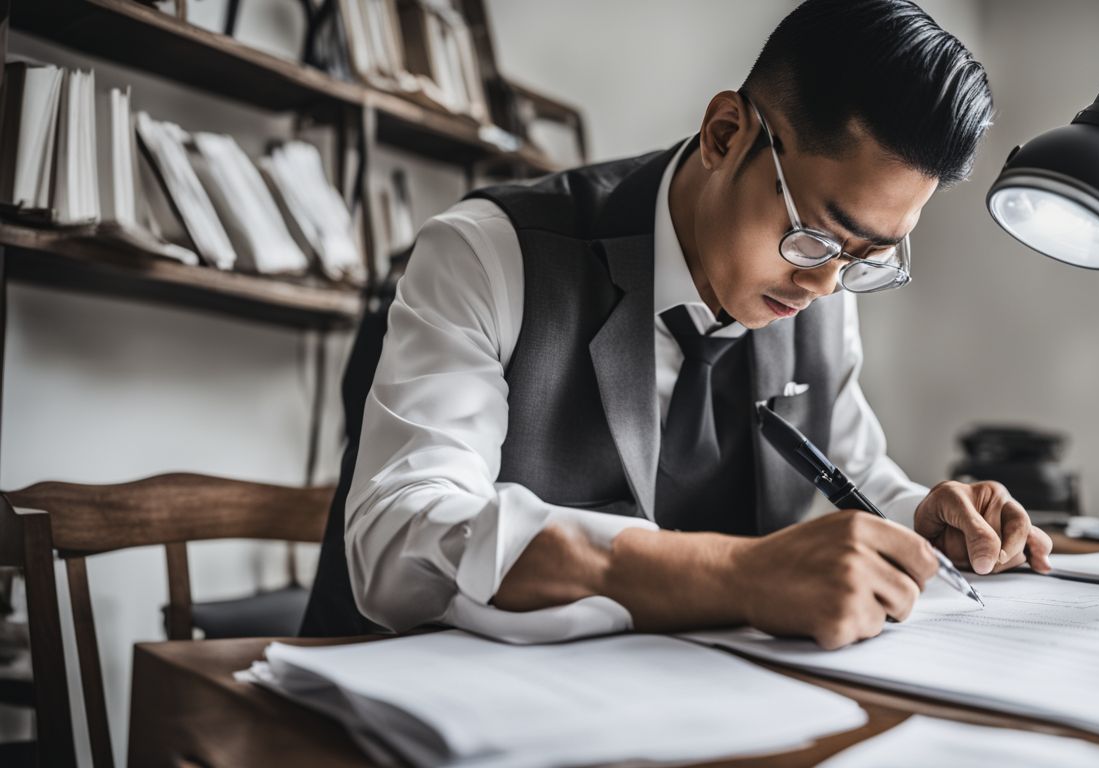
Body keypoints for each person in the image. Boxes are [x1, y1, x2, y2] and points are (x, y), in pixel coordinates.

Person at [304, 0, 1053, 649]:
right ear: (726, 133)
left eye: (870, 255)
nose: (826, 282)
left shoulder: (822, 291)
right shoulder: (489, 253)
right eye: (817, 234)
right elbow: (397, 543)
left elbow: (853, 472)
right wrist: (731, 575)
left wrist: (921, 518)